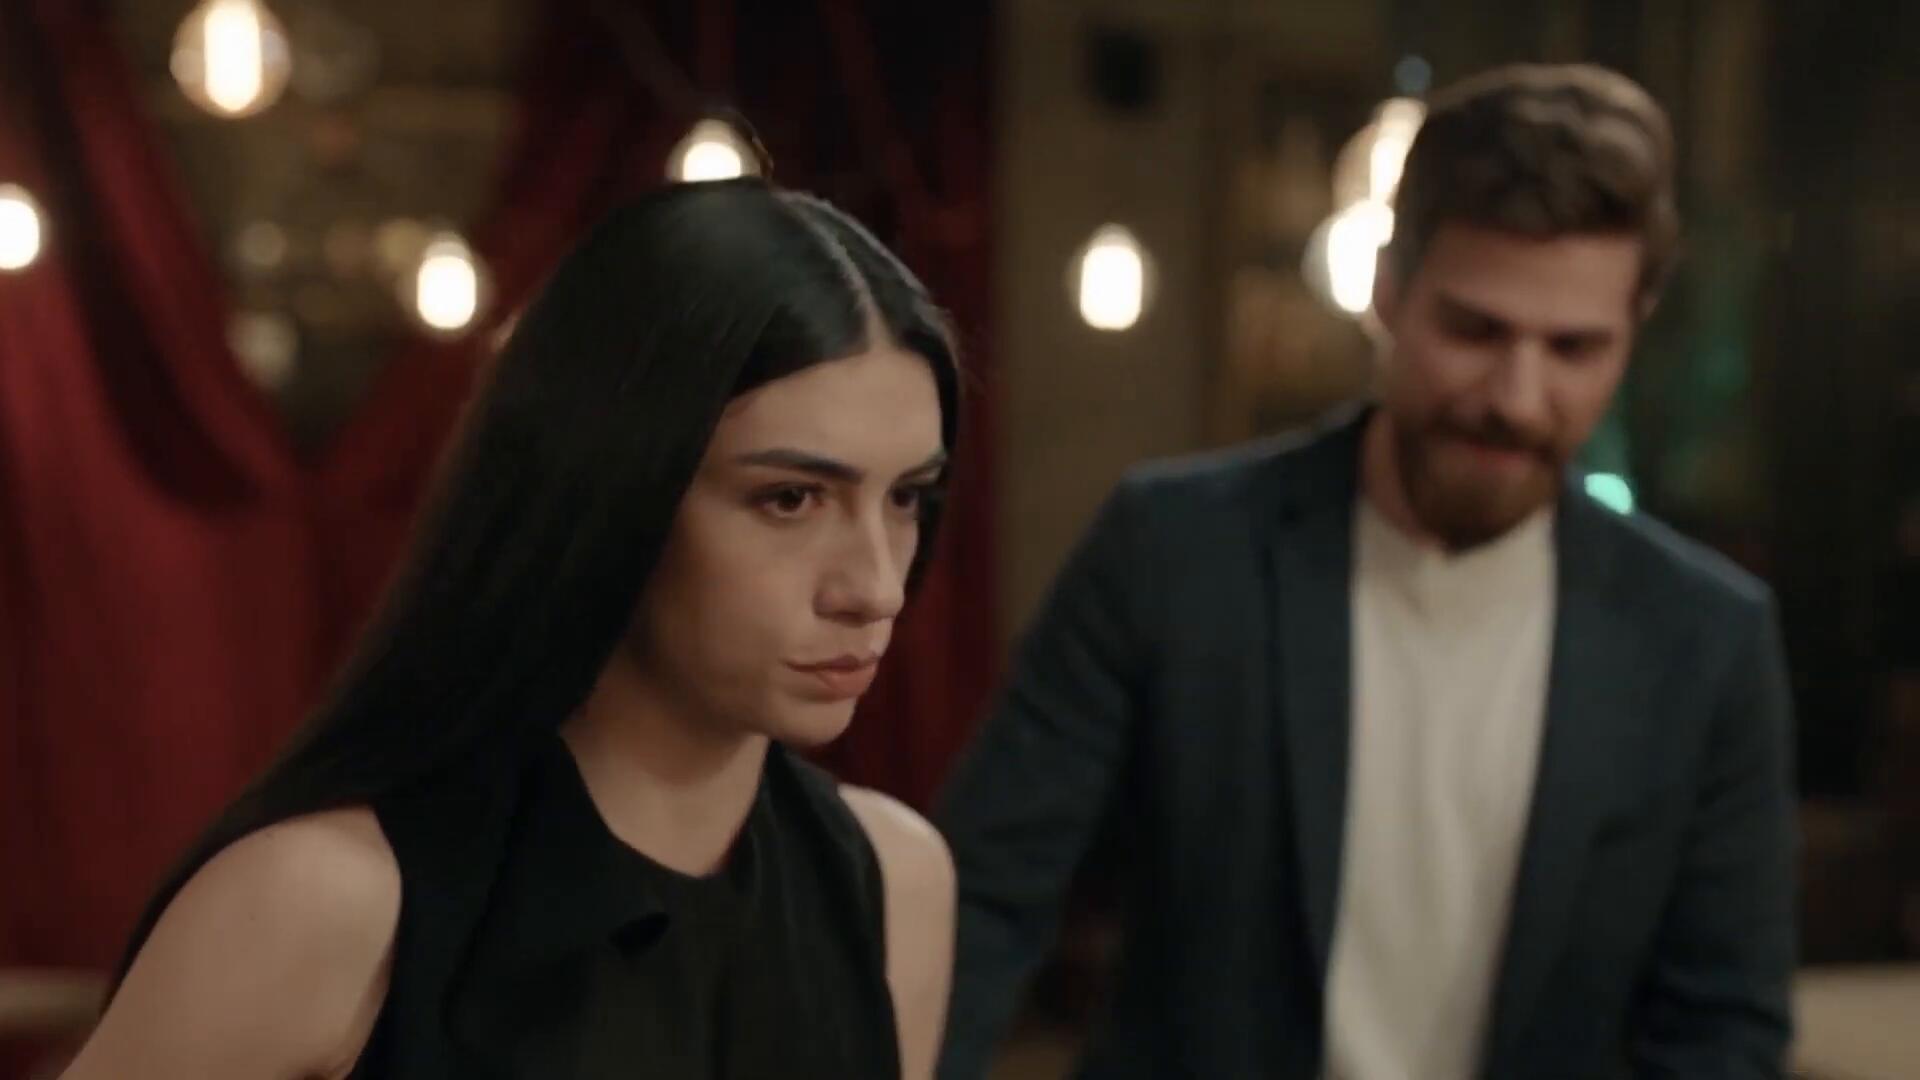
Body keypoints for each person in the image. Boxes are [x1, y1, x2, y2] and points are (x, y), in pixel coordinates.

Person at [937, 63, 1795, 1079]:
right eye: (1475, 330)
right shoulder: (1173, 550)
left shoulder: (1703, 640)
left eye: (1574, 349)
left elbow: (1722, 1030)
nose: (1517, 398)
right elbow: (979, 903)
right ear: (1387, 289)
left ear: (1633, 333)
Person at [59, 179, 960, 1080]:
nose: (876, 587)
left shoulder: (894, 882)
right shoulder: (329, 901)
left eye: (908, 498)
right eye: (790, 499)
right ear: (611, 488)